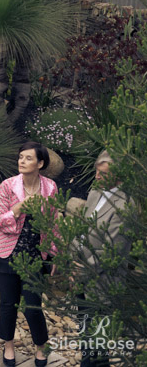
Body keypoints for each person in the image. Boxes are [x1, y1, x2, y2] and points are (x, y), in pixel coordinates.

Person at [0, 142, 57, 367]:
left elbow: (53, 223)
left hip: (35, 256)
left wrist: (53, 254)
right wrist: (19, 208)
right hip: (6, 254)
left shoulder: (50, 187)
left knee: (33, 305)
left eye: (28, 158)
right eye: (20, 157)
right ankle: (8, 345)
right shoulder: (7, 186)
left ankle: (41, 346)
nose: (21, 161)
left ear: (40, 163)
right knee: (8, 303)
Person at [73, 151, 129, 367]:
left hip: (103, 282)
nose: (96, 176)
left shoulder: (125, 206)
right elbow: (81, 230)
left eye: (103, 173)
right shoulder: (96, 193)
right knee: (86, 334)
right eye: (96, 171)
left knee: (98, 342)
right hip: (82, 274)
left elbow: (112, 251)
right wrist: (72, 262)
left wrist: (82, 270)